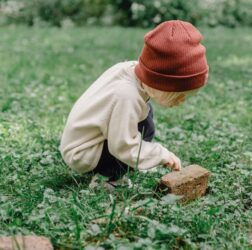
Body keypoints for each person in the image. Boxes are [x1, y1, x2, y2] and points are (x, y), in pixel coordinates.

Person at [59, 20, 209, 187]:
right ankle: (106, 181)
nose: (181, 102)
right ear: (160, 82)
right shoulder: (126, 96)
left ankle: (135, 160)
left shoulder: (133, 72)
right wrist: (160, 155)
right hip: (83, 152)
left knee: (146, 118)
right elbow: (122, 146)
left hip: (94, 137)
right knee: (134, 138)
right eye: (178, 95)